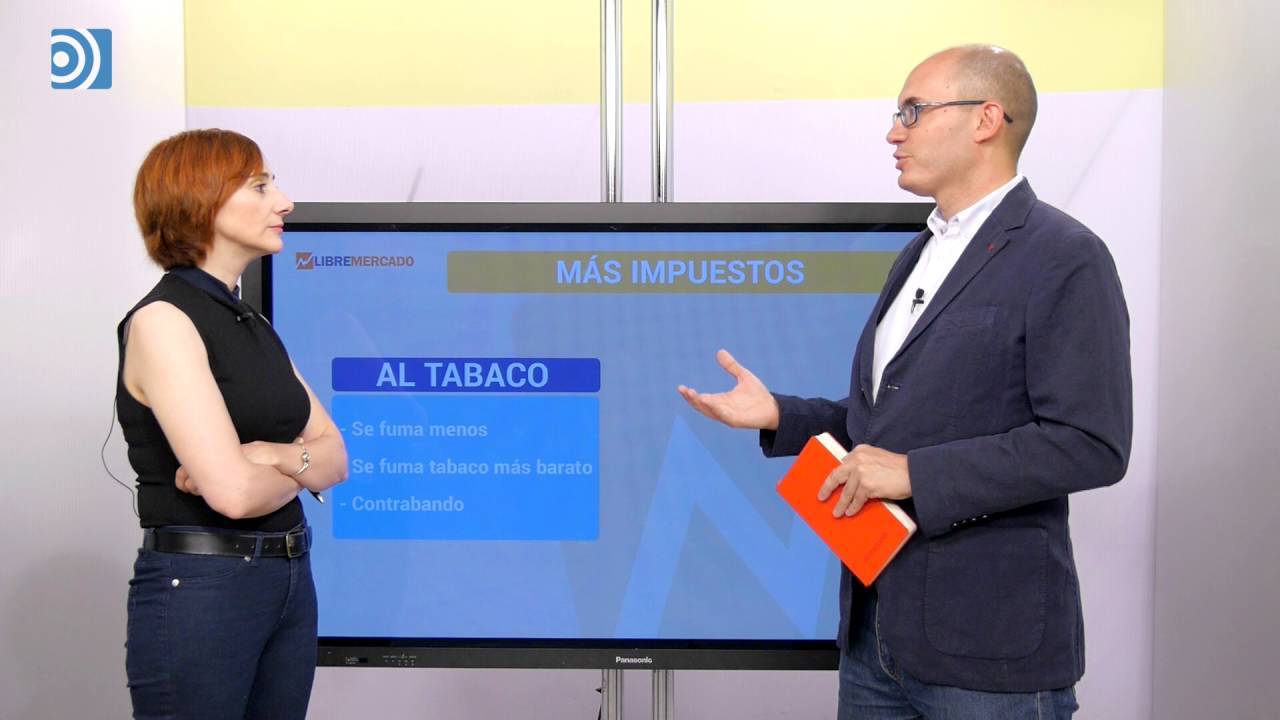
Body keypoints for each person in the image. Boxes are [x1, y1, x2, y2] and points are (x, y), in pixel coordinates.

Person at [678, 45, 1131, 719]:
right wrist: (779, 414)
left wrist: (915, 473)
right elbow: (889, 424)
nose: (894, 132)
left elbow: (1090, 444)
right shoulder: (917, 255)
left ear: (986, 120)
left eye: (913, 111)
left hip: (989, 656)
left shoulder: (1065, 256)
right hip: (875, 640)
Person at [117, 129, 349, 720]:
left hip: (287, 580)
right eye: (261, 186)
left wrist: (268, 456)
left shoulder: (252, 322)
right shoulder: (163, 320)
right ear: (202, 201)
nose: (285, 203)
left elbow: (337, 457)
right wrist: (295, 464)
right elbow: (234, 496)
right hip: (205, 587)